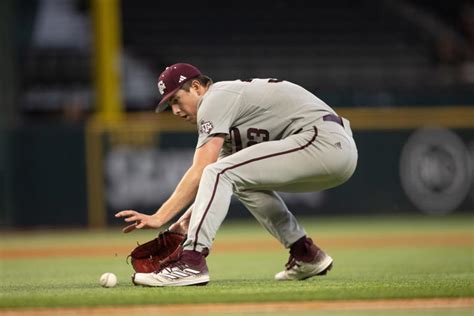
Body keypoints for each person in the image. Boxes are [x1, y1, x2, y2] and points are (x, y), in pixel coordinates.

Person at [115, 63, 358, 287]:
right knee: (238, 179)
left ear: (197, 87)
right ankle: (305, 253)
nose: (176, 111)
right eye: (170, 106)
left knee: (221, 171)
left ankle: (191, 261)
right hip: (329, 152)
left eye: (177, 100)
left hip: (323, 140)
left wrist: (160, 217)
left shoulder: (215, 98)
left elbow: (203, 170)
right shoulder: (230, 118)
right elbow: (216, 183)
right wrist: (181, 225)